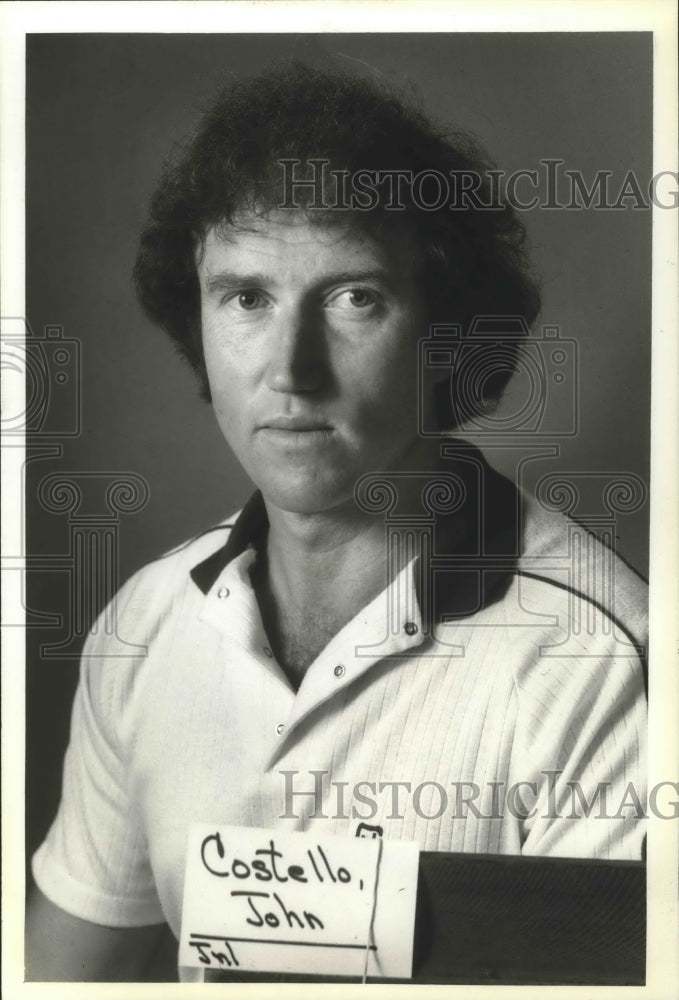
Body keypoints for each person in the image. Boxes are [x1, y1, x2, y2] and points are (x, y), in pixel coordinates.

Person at [26, 62, 647, 982]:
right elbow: (59, 976)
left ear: (447, 337)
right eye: (246, 298)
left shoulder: (599, 666)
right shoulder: (145, 623)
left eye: (355, 297)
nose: (291, 368)